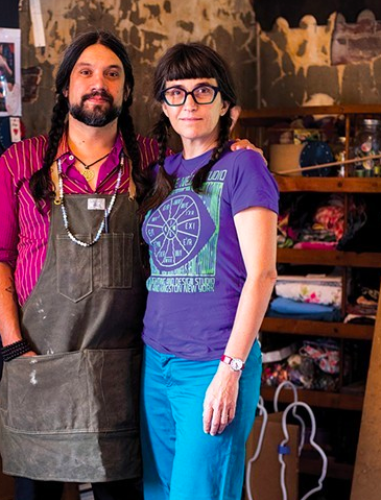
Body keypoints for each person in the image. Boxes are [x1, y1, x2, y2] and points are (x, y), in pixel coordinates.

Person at [0, 31, 262, 500]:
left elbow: (207, 167)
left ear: (127, 91)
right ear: (65, 86)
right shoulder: (20, 163)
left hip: (124, 373)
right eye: (85, 72)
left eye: (112, 74)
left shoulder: (155, 162)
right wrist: (14, 348)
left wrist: (235, 149)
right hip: (40, 364)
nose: (98, 83)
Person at [139, 43, 279, 500]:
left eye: (203, 90)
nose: (189, 103)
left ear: (226, 105)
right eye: (176, 92)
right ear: (164, 106)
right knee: (160, 492)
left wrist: (230, 369)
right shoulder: (161, 173)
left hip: (212, 363)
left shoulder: (244, 165)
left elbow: (262, 275)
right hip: (156, 362)